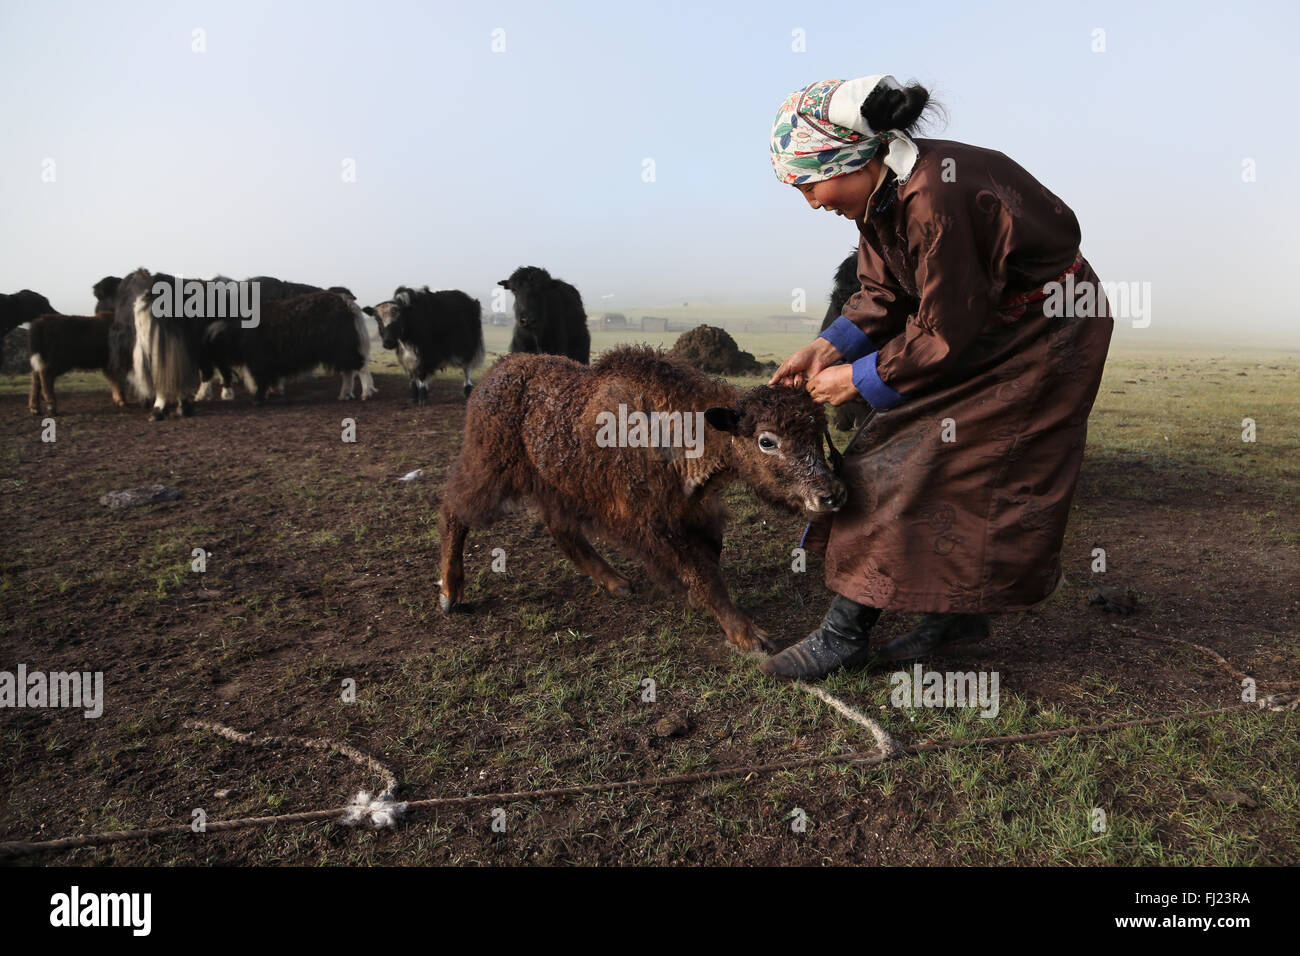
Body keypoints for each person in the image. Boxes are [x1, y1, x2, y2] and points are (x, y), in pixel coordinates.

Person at [760, 75, 1113, 680]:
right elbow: (881, 292)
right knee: (944, 463)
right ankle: (956, 616)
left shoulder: (933, 198)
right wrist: (824, 347)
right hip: (988, 326)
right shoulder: (886, 193)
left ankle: (844, 636)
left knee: (905, 461)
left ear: (850, 157)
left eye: (808, 182)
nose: (812, 202)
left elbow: (945, 332)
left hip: (1045, 334)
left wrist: (856, 380)